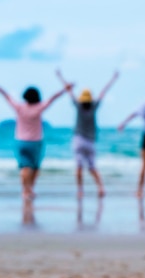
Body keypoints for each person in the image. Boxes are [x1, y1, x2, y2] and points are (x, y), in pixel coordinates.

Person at [0, 76, 68, 201]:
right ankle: (30, 189)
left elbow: (6, 95)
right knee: (35, 167)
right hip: (36, 142)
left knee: (24, 167)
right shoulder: (39, 107)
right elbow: (53, 98)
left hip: (21, 141)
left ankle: (25, 190)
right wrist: (65, 89)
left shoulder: (19, 108)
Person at [57, 70, 119, 198]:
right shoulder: (94, 106)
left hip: (78, 139)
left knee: (79, 168)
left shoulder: (79, 106)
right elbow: (103, 92)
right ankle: (101, 188)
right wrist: (113, 79)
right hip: (90, 141)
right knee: (92, 167)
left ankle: (80, 190)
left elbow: (70, 92)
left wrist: (60, 77)